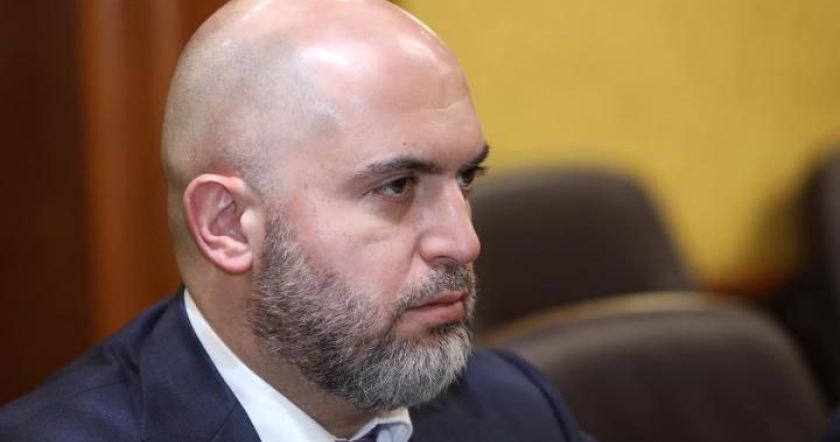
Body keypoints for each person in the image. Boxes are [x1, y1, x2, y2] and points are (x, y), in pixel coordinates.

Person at [0, 0, 592, 440]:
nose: (464, 241)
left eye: (465, 178)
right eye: (396, 186)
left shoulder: (518, 410)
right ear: (228, 225)